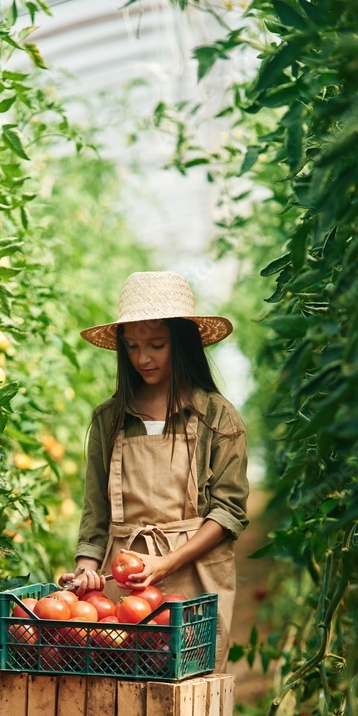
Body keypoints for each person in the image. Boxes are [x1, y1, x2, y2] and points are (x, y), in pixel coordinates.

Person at [59, 271, 249, 672]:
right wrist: (86, 572)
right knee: (123, 686)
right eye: (132, 347)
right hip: (124, 580)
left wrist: (167, 564)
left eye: (156, 345)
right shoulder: (110, 420)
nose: (143, 358)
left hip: (195, 575)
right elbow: (96, 514)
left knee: (188, 684)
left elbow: (228, 511)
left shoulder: (217, 417)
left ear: (182, 345)